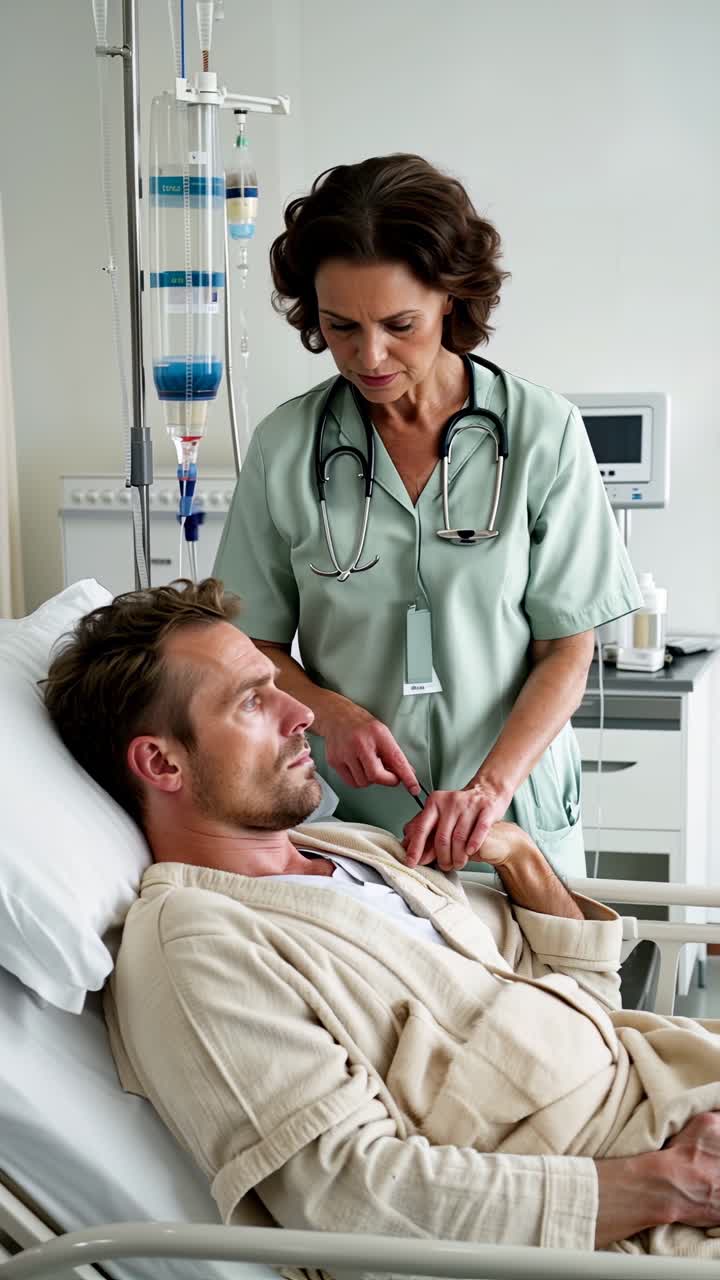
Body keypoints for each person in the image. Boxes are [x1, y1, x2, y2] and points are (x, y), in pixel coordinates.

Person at [42, 578, 720, 1260]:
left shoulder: (350, 848)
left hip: (667, 1085)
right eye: (252, 700)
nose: (301, 714)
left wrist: (520, 858)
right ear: (162, 762)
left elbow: (590, 1004)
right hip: (630, 1216)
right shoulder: (196, 944)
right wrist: (670, 1186)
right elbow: (353, 1198)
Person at [213, 153, 642, 878]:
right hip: (358, 822)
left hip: (513, 814)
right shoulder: (286, 448)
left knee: (539, 986)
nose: (368, 355)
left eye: (398, 324)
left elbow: (568, 649)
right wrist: (330, 710)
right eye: (340, 326)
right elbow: (252, 645)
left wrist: (489, 791)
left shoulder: (542, 432)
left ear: (452, 298)